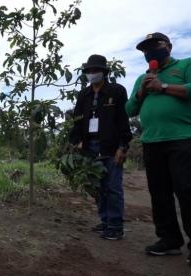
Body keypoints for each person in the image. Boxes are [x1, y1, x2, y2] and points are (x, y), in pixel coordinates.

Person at [125, 32, 191, 265]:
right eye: (145, 50)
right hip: (152, 142)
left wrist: (162, 86)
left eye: (155, 46)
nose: (150, 52)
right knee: (159, 193)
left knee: (186, 190)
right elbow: (129, 109)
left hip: (182, 139)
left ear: (169, 46)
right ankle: (169, 240)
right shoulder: (142, 78)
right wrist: (143, 90)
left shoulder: (185, 65)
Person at [70, 54, 132, 240]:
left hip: (111, 147)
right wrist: (76, 141)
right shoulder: (84, 94)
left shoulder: (117, 91)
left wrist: (123, 146)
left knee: (113, 187)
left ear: (104, 72)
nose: (92, 73)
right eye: (89, 71)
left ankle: (115, 225)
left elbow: (123, 120)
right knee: (97, 186)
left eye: (95, 70)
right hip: (90, 147)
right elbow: (77, 121)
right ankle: (105, 220)